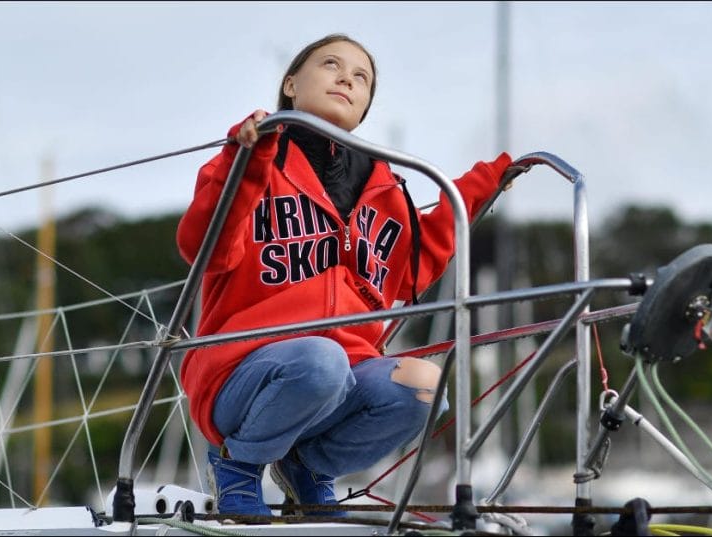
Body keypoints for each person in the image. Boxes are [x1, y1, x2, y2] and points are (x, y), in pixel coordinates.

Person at [176, 33, 514, 518]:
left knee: (423, 385)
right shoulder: (252, 154)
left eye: (362, 78)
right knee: (321, 360)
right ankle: (237, 464)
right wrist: (247, 159)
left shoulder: (382, 183)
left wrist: (480, 188)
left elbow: (410, 268)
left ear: (366, 105)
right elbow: (201, 245)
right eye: (331, 65)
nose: (346, 79)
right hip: (241, 374)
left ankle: (307, 468)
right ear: (290, 83)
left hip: (338, 377)